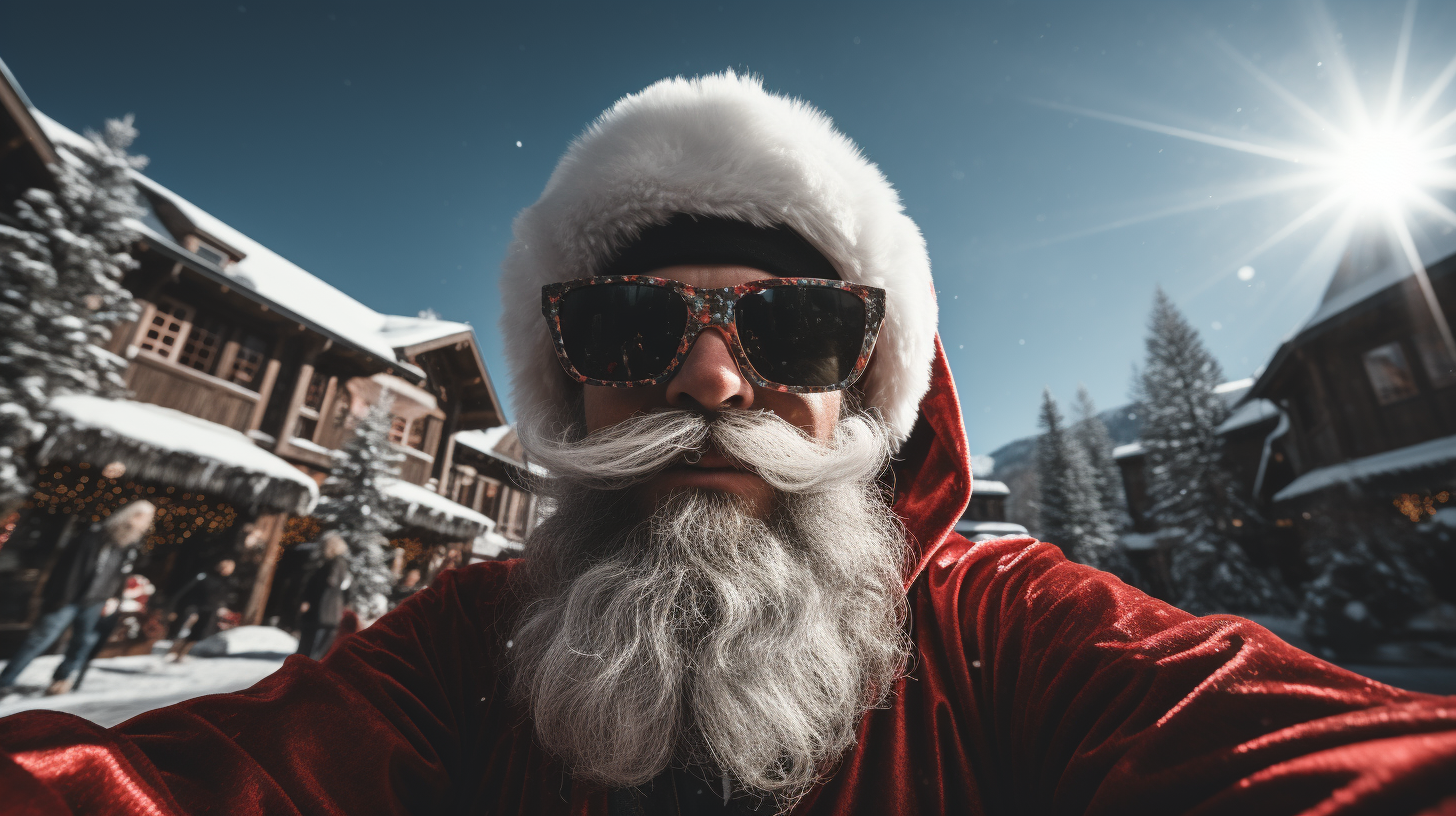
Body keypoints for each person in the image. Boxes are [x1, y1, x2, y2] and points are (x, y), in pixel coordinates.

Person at [2, 73, 1455, 814]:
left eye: (800, 331)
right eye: (634, 327)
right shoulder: (465, 650)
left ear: (865, 388)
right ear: (571, 385)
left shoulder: (1006, 633)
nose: (709, 375)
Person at [0, 500, 154, 696]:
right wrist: (56, 596)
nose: (145, 524)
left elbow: (119, 575)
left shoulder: (127, 546)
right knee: (39, 640)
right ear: (131, 515)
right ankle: (5, 681)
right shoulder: (94, 535)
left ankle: (61, 680)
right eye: (143, 517)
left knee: (82, 642)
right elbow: (67, 568)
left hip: (96, 601)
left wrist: (113, 597)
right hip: (68, 598)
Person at [165, 559, 237, 663]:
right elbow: (188, 591)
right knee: (183, 631)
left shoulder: (227, 581)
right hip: (195, 608)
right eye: (225, 567)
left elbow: (222, 597)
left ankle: (182, 654)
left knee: (198, 634)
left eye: (230, 568)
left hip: (209, 611)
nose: (227, 570)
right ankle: (171, 652)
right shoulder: (205, 576)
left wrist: (221, 607)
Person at [295, 534, 350, 661]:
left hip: (325, 613)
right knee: (311, 647)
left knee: (314, 650)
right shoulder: (329, 562)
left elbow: (332, 582)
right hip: (323, 613)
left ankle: (304, 672)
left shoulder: (336, 562)